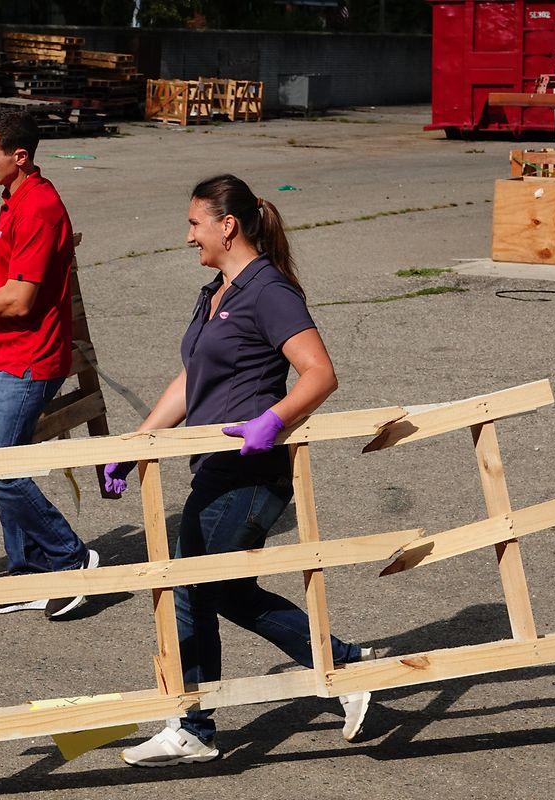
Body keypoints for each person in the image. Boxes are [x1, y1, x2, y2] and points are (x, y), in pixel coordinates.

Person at [105, 174, 374, 767]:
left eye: (195, 223)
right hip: (213, 470)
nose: (187, 236)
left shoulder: (268, 291)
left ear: (228, 226)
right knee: (216, 586)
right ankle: (339, 665)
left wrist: (271, 421)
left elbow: (320, 373)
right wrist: (139, 441)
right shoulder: (213, 294)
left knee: (195, 583)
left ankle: (200, 722)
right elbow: (190, 380)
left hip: (253, 473)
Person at [0, 111, 97, 619]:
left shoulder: (40, 206)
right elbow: (12, 279)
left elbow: (23, 300)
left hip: (31, 359)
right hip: (4, 355)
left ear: (19, 156)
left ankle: (70, 559)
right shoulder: (16, 199)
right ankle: (26, 573)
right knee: (5, 463)